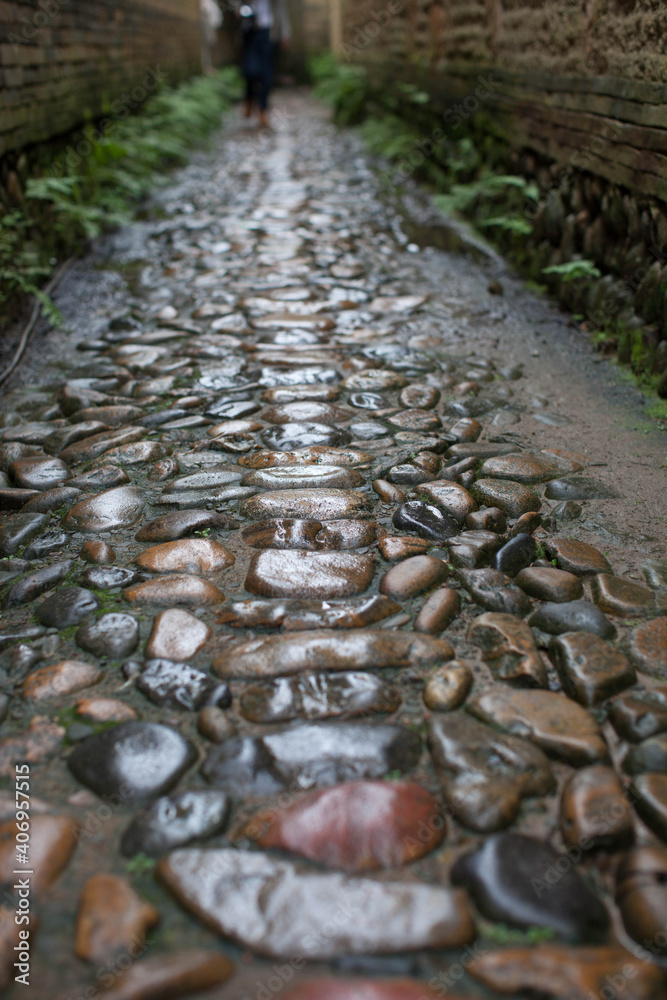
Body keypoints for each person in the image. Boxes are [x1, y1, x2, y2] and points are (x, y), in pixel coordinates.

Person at [239, 0, 290, 128]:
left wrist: (285, 33)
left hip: (268, 33)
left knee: (266, 74)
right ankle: (249, 99)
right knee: (250, 71)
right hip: (250, 33)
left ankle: (262, 109)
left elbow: (281, 10)